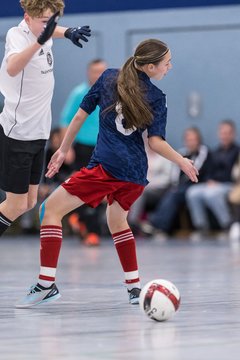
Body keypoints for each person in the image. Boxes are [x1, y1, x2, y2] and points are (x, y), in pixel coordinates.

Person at [16, 38, 198, 308]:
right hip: (135, 173)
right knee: (117, 222)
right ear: (149, 67)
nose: (169, 67)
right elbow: (155, 142)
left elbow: (79, 117)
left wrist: (63, 149)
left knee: (49, 211)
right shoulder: (158, 97)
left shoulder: (108, 77)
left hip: (107, 167)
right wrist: (181, 160)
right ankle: (135, 289)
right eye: (166, 63)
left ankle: (45, 284)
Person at [0, 0, 91, 238]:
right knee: (15, 204)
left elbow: (49, 29)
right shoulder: (17, 36)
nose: (48, 28)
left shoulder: (42, 30)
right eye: (44, 23)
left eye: (52, 23)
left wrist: (68, 32)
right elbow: (12, 67)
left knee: (29, 202)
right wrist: (40, 41)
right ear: (27, 17)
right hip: (18, 134)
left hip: (39, 133)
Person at [59, 59, 107, 245]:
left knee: (99, 189)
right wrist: (66, 147)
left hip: (104, 148)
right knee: (83, 188)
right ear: (89, 73)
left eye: (102, 71)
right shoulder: (79, 93)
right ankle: (89, 229)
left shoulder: (111, 93)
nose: (99, 75)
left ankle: (81, 221)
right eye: (95, 71)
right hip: (82, 149)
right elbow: (65, 120)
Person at [141, 127, 210, 240]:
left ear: (198, 140)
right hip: (179, 187)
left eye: (193, 139)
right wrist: (175, 184)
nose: (190, 142)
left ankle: (157, 226)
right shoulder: (182, 153)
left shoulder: (203, 151)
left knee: (174, 194)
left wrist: (181, 183)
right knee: (170, 192)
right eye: (188, 139)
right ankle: (154, 225)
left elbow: (195, 169)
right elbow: (175, 170)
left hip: (194, 184)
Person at [186, 120, 239, 240]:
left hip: (230, 184)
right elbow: (209, 170)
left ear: (233, 134)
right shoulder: (215, 152)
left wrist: (217, 182)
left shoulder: (237, 151)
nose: (224, 135)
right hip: (213, 184)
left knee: (211, 194)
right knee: (192, 192)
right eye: (222, 132)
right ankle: (201, 227)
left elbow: (234, 174)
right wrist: (210, 180)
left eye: (227, 133)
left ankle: (227, 225)